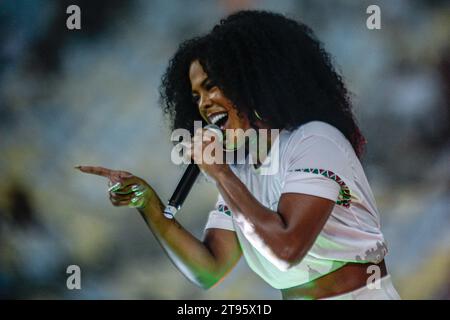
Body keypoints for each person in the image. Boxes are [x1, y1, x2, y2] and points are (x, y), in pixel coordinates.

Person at [77, 10, 400, 300]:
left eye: (212, 85)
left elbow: (287, 249)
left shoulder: (314, 140)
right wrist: (147, 202)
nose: (203, 103)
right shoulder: (242, 167)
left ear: (251, 79)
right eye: (196, 95)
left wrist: (220, 174)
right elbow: (208, 270)